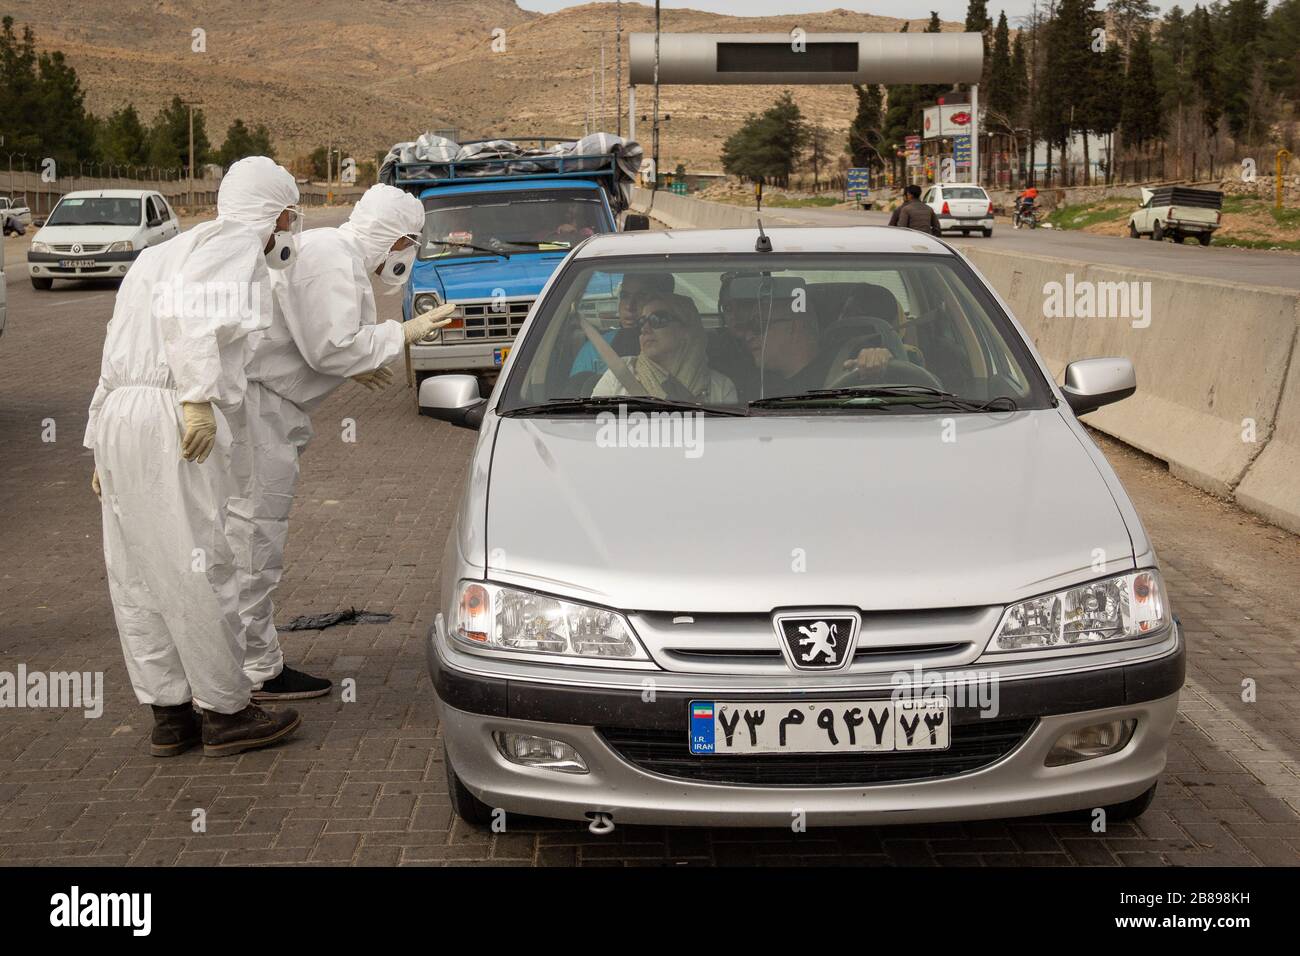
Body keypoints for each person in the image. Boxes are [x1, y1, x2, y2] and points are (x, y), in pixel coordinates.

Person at [84, 156, 302, 758]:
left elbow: (115, 342)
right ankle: (227, 712)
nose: (291, 230)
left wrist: (97, 439)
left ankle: (170, 713)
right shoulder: (233, 243)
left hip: (123, 413)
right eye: (291, 216)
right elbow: (194, 320)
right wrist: (199, 397)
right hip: (174, 413)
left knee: (135, 573)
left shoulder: (159, 253)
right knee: (199, 563)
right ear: (279, 213)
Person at [229, 183, 455, 702]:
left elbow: (310, 337)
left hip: (265, 412)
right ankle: (255, 669)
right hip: (262, 419)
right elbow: (330, 347)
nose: (409, 253)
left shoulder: (331, 249)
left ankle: (244, 661)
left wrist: (358, 361)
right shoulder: (332, 256)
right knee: (254, 541)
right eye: (411, 242)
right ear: (397, 239)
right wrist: (401, 334)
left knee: (248, 540)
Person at [592, 295, 737, 403]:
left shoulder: (720, 387)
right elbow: (595, 431)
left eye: (657, 319)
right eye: (642, 322)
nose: (645, 329)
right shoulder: (619, 375)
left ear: (687, 330)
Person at [569, 272, 674, 376]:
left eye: (641, 296)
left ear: (662, 303)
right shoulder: (594, 350)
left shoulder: (676, 348)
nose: (629, 306)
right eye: (624, 296)